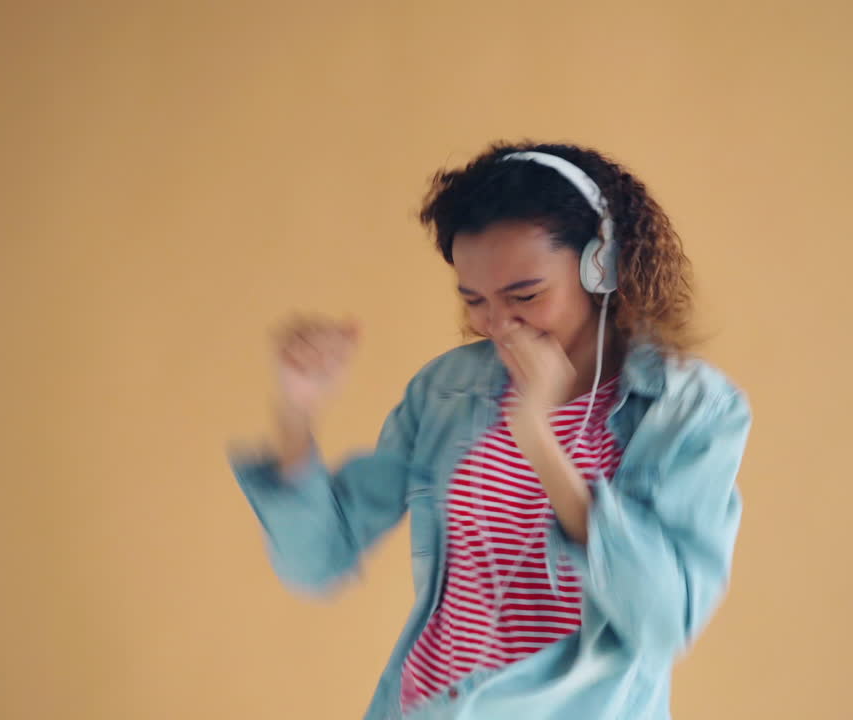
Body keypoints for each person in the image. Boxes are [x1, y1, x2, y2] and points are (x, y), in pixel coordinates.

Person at [229, 140, 752, 719]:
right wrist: (298, 414)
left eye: (525, 295)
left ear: (600, 266)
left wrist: (540, 442)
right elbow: (316, 562)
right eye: (474, 300)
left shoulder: (691, 410)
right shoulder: (447, 390)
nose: (497, 323)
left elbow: (662, 621)